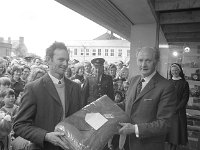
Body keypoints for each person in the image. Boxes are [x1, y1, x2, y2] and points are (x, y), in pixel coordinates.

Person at [13, 42, 83, 150]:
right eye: (61, 60)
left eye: (67, 60)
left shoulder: (76, 88)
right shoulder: (33, 88)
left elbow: (81, 119)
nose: (65, 64)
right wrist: (46, 136)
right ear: (49, 60)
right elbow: (19, 125)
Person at [118, 47, 177, 150]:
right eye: (140, 60)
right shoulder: (134, 80)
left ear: (156, 62)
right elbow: (127, 103)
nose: (143, 65)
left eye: (148, 60)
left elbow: (165, 123)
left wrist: (134, 129)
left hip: (147, 145)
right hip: (126, 143)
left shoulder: (166, 86)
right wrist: (106, 107)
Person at [165, 63, 189, 150]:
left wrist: (177, 108)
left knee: (177, 132)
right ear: (170, 72)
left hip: (179, 112)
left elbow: (185, 98)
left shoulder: (184, 83)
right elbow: (165, 96)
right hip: (168, 111)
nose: (174, 72)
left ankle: (174, 146)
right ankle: (170, 146)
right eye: (172, 71)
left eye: (176, 70)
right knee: (170, 132)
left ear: (179, 71)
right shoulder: (168, 82)